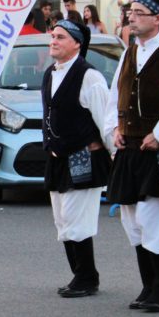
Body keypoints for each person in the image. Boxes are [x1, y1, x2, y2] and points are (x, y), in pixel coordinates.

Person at [105, 0, 159, 313]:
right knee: (132, 221)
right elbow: (115, 98)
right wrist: (114, 129)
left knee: (155, 221)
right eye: (130, 12)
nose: (132, 17)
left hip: (158, 148)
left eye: (140, 13)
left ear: (158, 19)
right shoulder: (129, 53)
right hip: (130, 147)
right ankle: (148, 285)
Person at [43, 20, 112, 298]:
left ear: (76, 44)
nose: (54, 41)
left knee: (77, 219)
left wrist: (113, 155)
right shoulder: (50, 73)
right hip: (57, 158)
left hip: (85, 157)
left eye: (60, 37)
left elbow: (105, 119)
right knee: (62, 220)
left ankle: (87, 277)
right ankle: (78, 274)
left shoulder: (90, 77)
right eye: (53, 36)